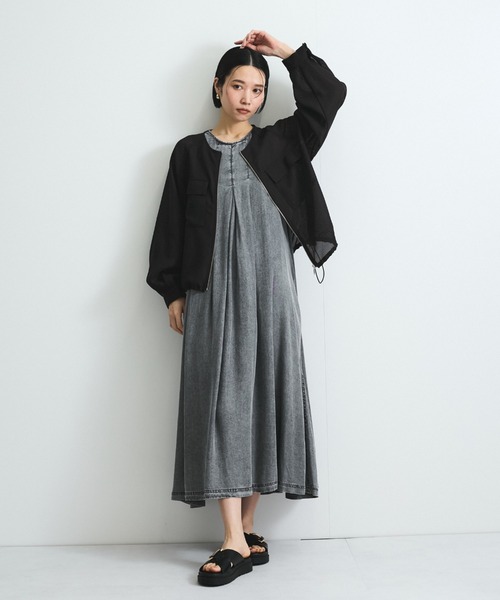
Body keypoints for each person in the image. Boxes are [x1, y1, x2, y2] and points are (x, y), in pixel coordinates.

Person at [147, 29, 347, 587]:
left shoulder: (282, 144)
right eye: (237, 86)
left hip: (272, 293)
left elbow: (329, 96)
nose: (247, 98)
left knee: (264, 398)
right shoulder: (189, 153)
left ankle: (247, 531)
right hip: (213, 295)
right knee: (222, 405)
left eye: (257, 90)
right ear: (218, 87)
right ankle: (232, 537)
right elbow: (169, 226)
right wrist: (173, 291)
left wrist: (285, 53)